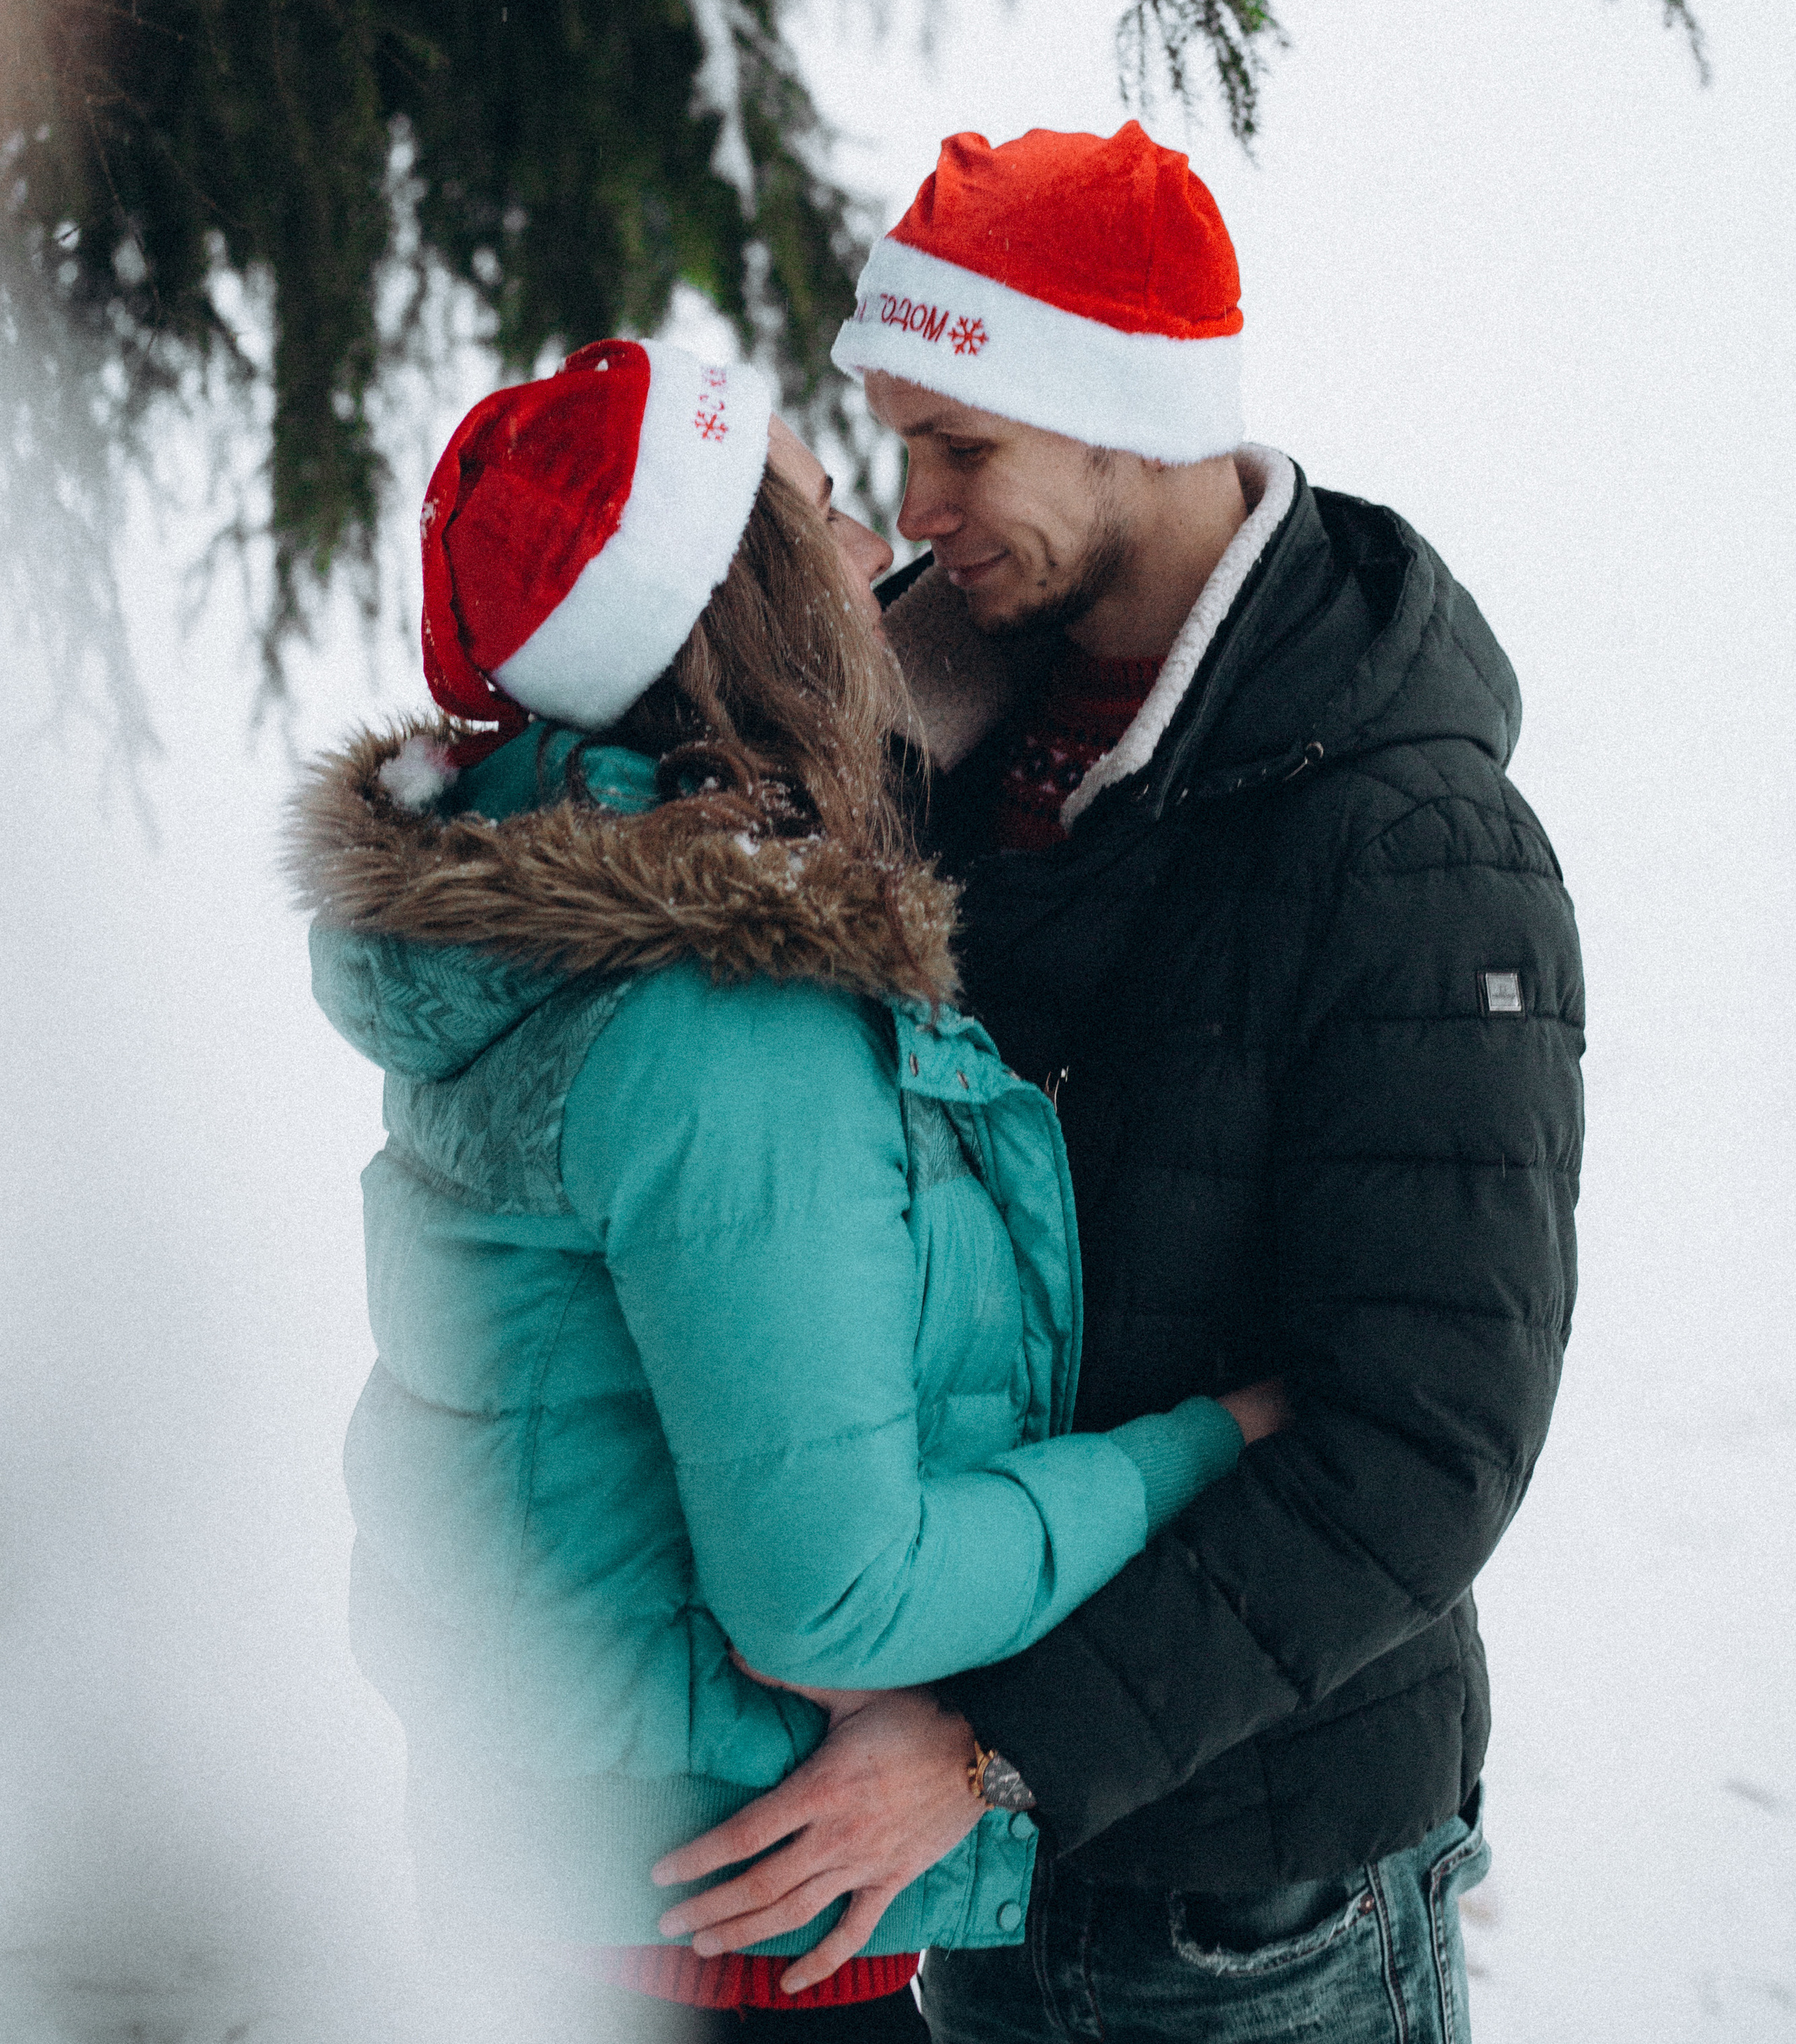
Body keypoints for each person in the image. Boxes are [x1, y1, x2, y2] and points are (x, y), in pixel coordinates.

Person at [647, 126, 1585, 2043]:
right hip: (961, 1879)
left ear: (1130, 423)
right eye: (896, 444)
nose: (917, 505)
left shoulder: (1411, 843)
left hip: (1256, 1900)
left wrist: (995, 1744)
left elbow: (1426, 1441)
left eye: (964, 446)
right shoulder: (939, 762)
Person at [291, 333, 1289, 2043]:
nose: (876, 557)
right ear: (735, 607)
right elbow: (833, 1597)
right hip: (723, 1928)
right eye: (822, 516)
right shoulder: (725, 1021)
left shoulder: (550, 935)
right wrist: (1213, 1440)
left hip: (573, 1868)